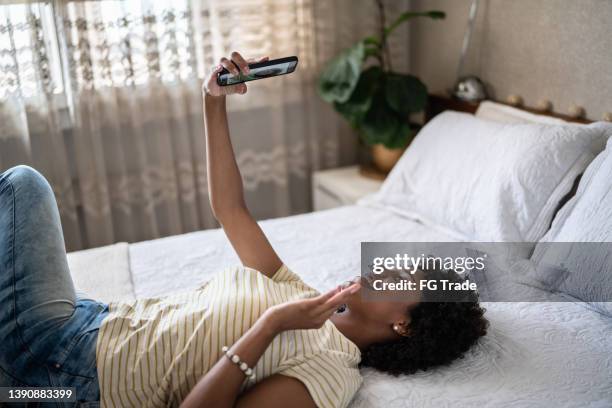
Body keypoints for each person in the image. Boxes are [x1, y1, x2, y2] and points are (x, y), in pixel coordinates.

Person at [0, 52, 488, 408]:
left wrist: (270, 324)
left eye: (404, 278)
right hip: (94, 320)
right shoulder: (302, 293)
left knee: (22, 187)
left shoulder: (330, 373)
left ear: (403, 325)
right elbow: (229, 209)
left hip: (67, 373)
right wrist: (213, 101)